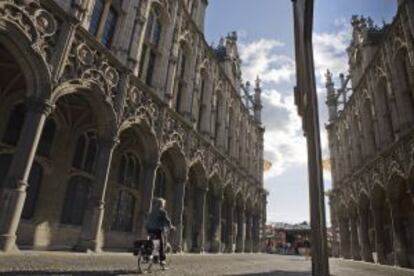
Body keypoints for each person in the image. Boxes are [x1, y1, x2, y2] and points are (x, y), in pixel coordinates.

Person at [145, 197, 175, 266]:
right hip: (157, 229)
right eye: (164, 204)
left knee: (153, 241)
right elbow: (167, 221)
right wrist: (171, 226)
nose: (164, 205)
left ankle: (150, 254)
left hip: (149, 229)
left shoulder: (152, 211)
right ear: (162, 205)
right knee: (162, 243)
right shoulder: (162, 211)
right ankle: (162, 260)